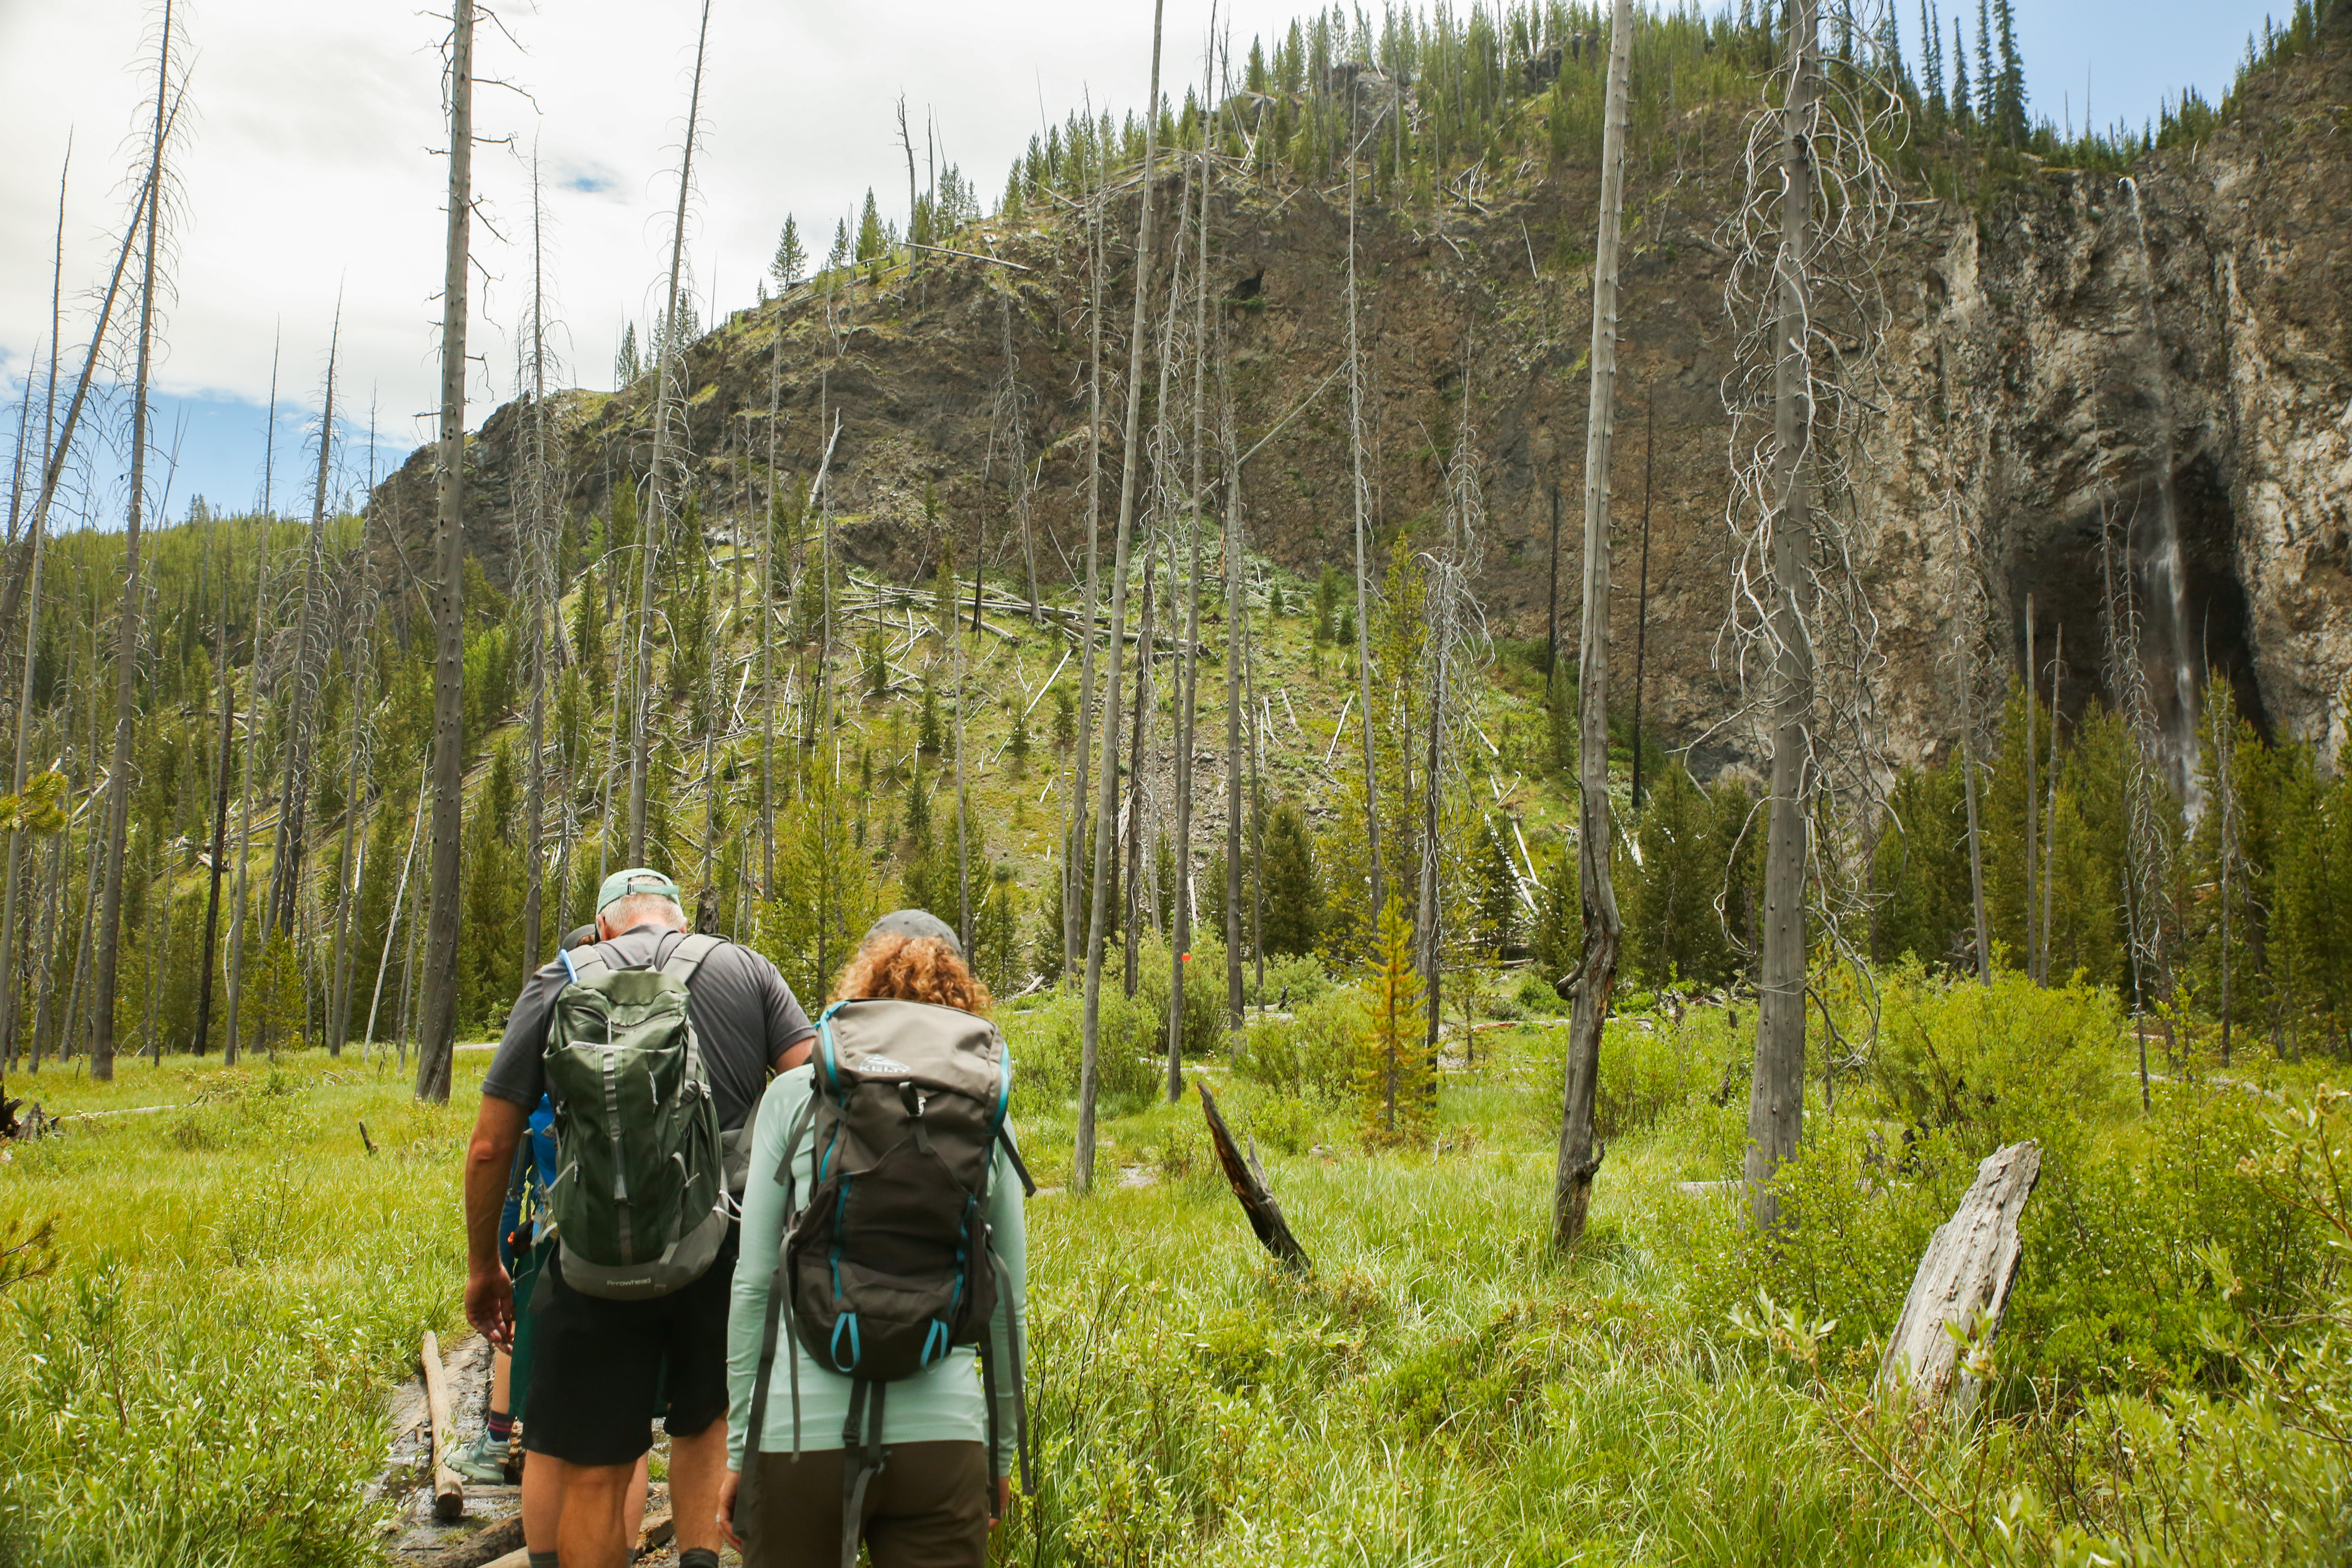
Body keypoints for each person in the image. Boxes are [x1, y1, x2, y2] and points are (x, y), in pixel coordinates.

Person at [464, 870, 816, 1568]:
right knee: (705, 1426)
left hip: (593, 1253)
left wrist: (484, 1266)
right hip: (722, 1244)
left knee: (595, 1465)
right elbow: (816, 1091)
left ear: (602, 928)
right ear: (680, 920)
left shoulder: (560, 978)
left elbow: (489, 1147)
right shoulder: (747, 970)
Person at [719, 909, 1029, 1568]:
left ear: (861, 984)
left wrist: (742, 1447)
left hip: (798, 1435)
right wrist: (1000, 1453)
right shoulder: (984, 1109)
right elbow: (1009, 1304)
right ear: (960, 992)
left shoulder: (798, 1094)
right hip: (943, 1436)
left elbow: (752, 1287)